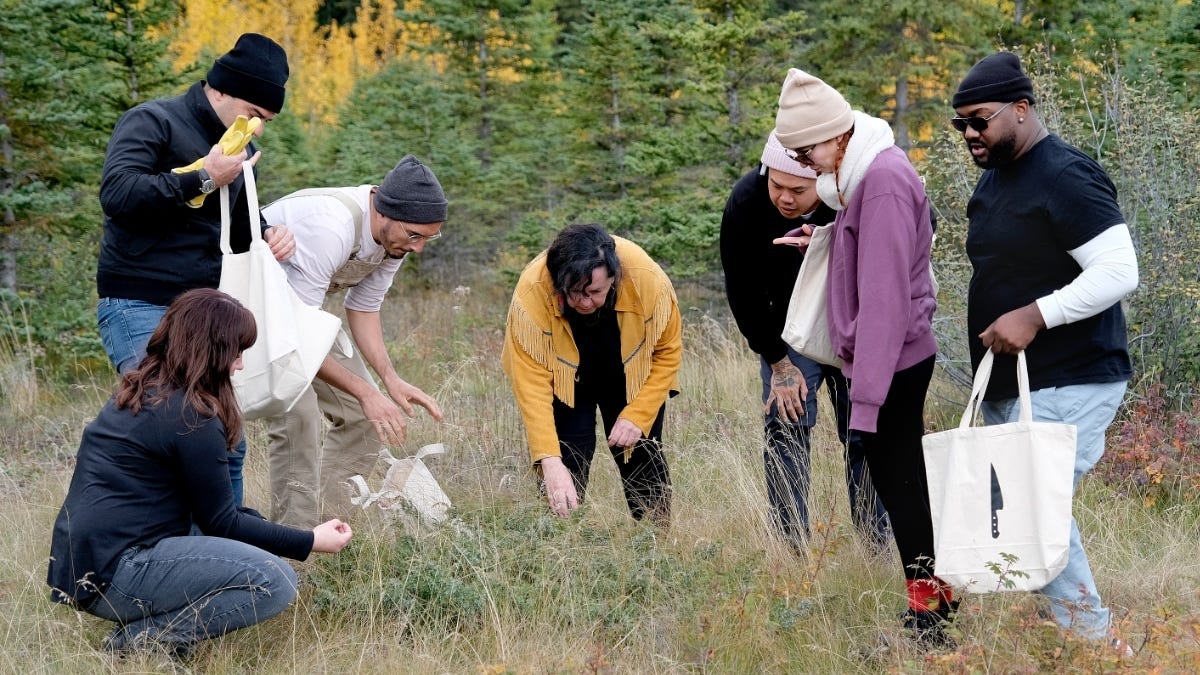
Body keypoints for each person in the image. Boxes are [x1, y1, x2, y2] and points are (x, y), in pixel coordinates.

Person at [47, 289, 353, 657]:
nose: (240, 364)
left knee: (241, 549)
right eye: (237, 352)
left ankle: (157, 638)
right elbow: (223, 523)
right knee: (274, 581)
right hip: (117, 572)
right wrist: (309, 540)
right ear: (213, 351)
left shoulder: (142, 390)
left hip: (82, 564)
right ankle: (139, 643)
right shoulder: (190, 417)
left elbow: (214, 514)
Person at [951, 52, 1139, 652]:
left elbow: (1118, 271)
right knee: (1024, 512)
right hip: (1018, 382)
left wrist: (1034, 315)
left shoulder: (1065, 174)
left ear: (1022, 109)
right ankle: (1075, 637)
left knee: (1034, 506)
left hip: (1075, 374)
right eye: (961, 126)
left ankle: (1097, 647)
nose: (971, 135)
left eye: (979, 121)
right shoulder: (996, 179)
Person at [774, 68, 949, 646]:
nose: (804, 163)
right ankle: (931, 606)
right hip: (884, 360)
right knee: (901, 485)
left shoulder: (883, 181)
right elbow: (870, 256)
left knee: (901, 487)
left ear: (835, 133)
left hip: (892, 362)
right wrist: (828, 240)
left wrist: (866, 399)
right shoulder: (859, 180)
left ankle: (931, 620)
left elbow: (884, 302)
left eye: (807, 150)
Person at [95, 33, 296, 504]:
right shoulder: (153, 121)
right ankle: (152, 552)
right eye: (254, 112)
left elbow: (239, 225)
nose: (258, 127)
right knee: (173, 419)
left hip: (202, 316)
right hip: (140, 302)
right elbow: (118, 195)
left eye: (266, 120)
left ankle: (227, 557)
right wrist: (204, 176)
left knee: (224, 435)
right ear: (222, 88)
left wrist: (269, 233)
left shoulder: (239, 148)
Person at [720, 131, 890, 553]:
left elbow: (908, 235)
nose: (785, 198)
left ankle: (876, 545)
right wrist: (778, 363)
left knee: (864, 432)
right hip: (788, 330)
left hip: (853, 324)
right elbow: (742, 290)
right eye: (776, 185)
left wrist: (830, 242)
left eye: (798, 189)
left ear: (824, 176)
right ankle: (791, 550)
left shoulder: (856, 189)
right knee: (786, 424)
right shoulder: (747, 201)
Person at [260, 156, 447, 527]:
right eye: (415, 236)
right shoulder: (332, 227)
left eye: (430, 238)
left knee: (363, 416)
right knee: (301, 419)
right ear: (382, 211)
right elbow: (296, 338)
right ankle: (292, 548)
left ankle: (332, 529)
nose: (419, 248)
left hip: (299, 318)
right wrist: (366, 390)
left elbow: (363, 307)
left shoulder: (394, 240)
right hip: (247, 315)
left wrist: (389, 381)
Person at [502, 224, 681, 527]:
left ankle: (655, 546)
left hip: (629, 374)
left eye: (595, 292)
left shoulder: (647, 280)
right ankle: (560, 545)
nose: (585, 302)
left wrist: (638, 414)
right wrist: (548, 458)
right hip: (564, 378)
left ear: (614, 277)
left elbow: (667, 353)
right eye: (574, 293)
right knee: (564, 461)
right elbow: (531, 383)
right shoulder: (533, 291)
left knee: (642, 458)